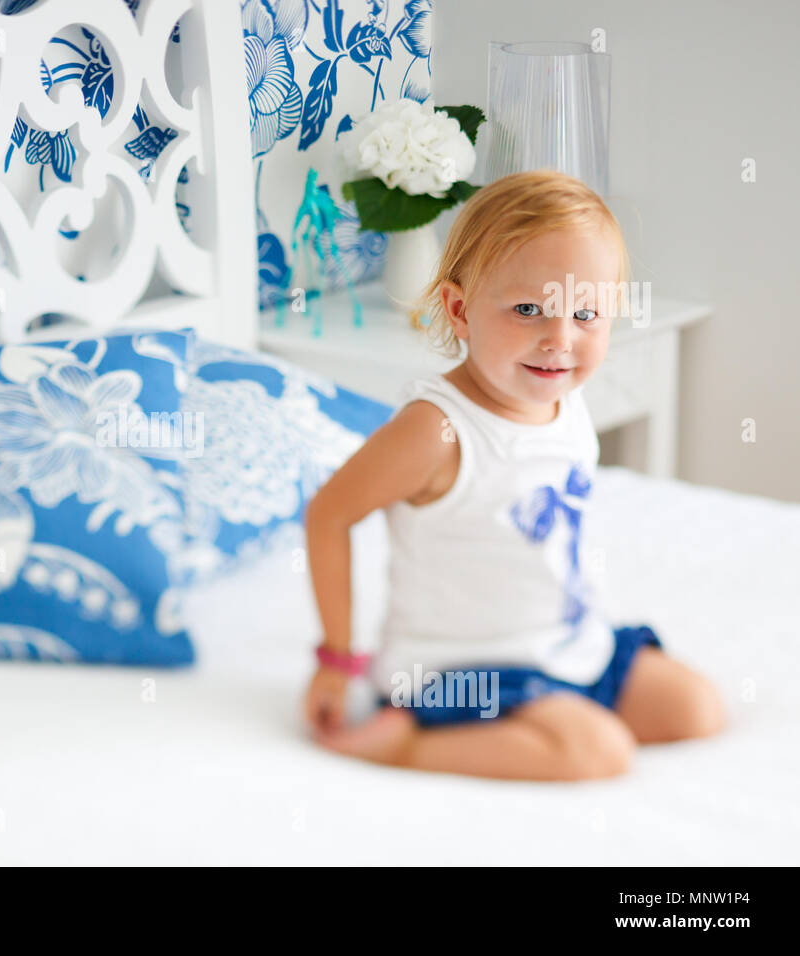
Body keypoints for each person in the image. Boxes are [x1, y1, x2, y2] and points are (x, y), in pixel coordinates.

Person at [302, 170, 725, 780]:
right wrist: (337, 660)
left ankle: (556, 708)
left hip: (568, 648)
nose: (559, 339)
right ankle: (406, 746)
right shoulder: (437, 430)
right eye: (528, 309)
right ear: (459, 308)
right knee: (600, 752)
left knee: (696, 708)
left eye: (586, 313)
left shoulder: (562, 397)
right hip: (456, 673)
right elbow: (329, 513)